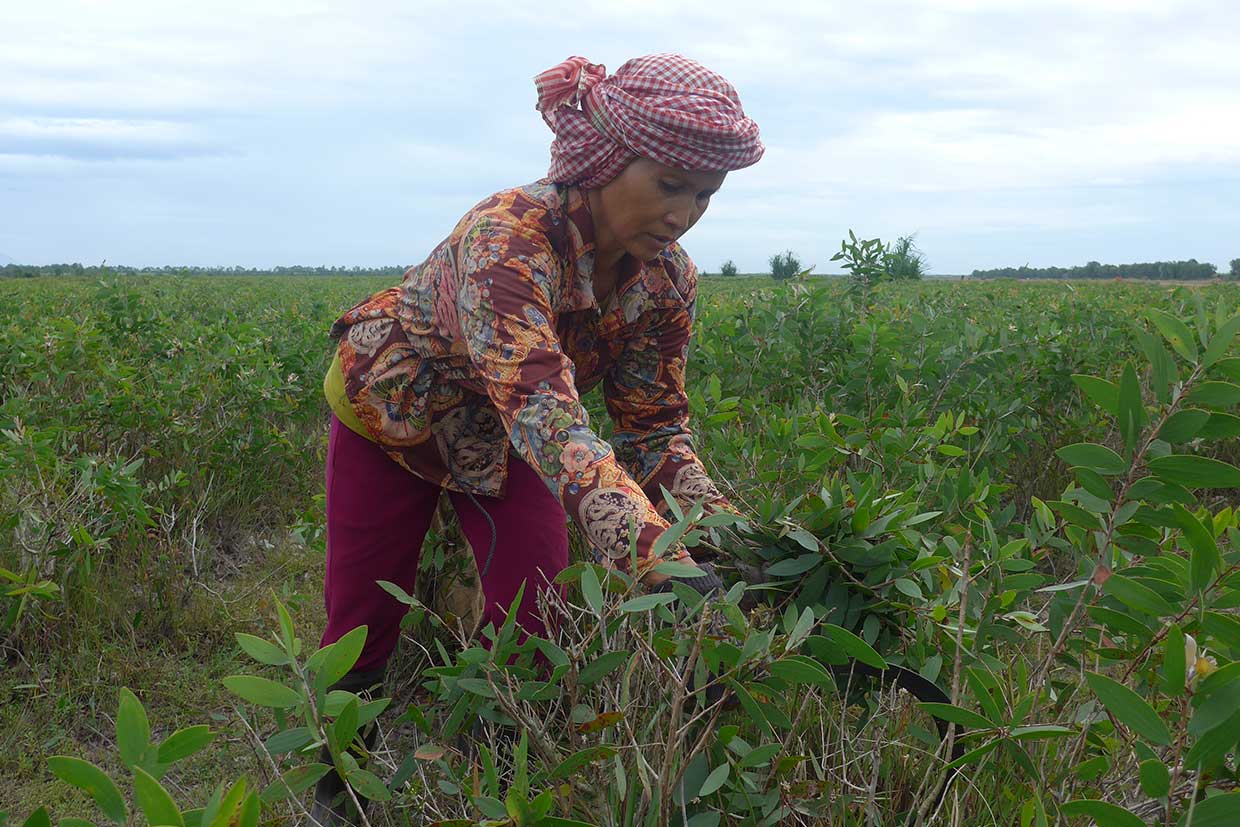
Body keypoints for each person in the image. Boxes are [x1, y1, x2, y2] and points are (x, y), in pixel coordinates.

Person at [312, 53, 763, 822]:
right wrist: (658, 559)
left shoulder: (667, 281)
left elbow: (654, 429)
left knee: (539, 607)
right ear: (608, 160)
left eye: (705, 194)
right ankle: (337, 790)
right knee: (361, 618)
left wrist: (732, 536)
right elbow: (548, 420)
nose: (684, 213)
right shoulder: (508, 240)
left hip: (510, 436)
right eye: (669, 184)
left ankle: (490, 778)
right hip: (395, 414)